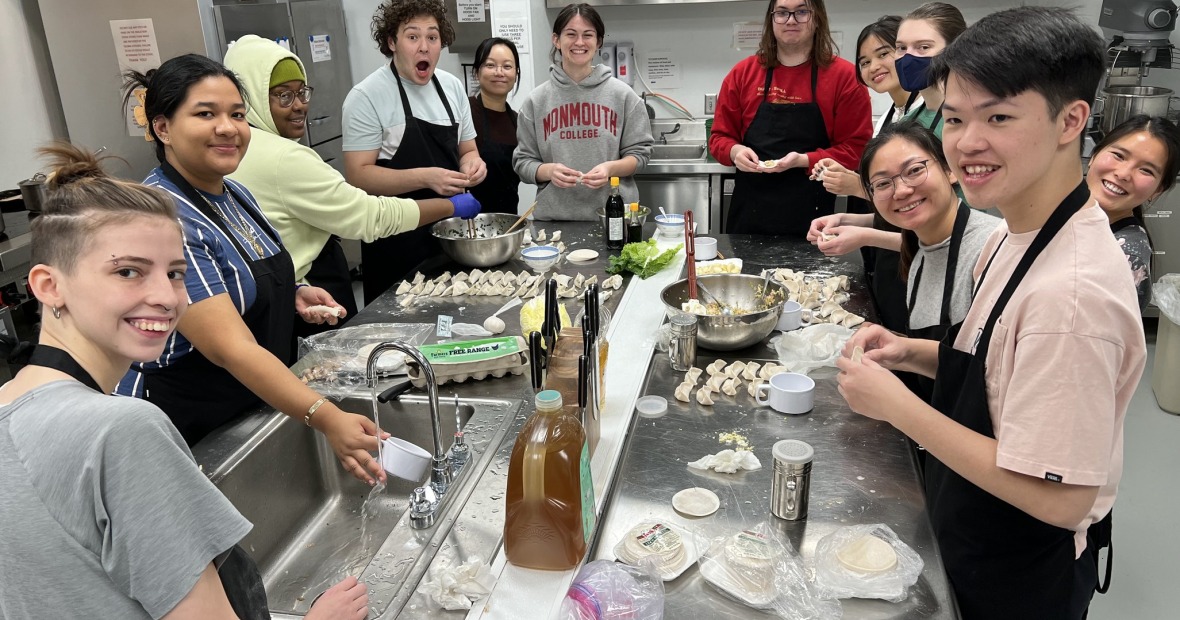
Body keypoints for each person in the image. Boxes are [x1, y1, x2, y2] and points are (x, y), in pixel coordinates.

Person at [837, 8, 1146, 618]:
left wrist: (896, 404)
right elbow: (1000, 366)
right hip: (973, 531)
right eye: (954, 119)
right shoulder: (1018, 232)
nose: (966, 143)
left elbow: (1057, 496)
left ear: (1071, 120)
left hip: (1020, 576)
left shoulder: (1073, 296)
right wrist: (911, 353)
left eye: (998, 117)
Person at [0, 143, 367, 619]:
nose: (165, 297)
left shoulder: (12, 405)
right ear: (49, 286)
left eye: (176, 273)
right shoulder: (122, 431)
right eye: (128, 271)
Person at [119, 54, 387, 487]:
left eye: (237, 114)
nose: (228, 128)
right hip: (192, 423)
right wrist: (325, 415)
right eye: (206, 114)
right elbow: (230, 348)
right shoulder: (163, 218)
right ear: (162, 127)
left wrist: (293, 293)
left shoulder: (234, 193)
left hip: (250, 401)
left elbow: (240, 273)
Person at [223, 35, 478, 332]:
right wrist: (449, 204)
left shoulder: (236, 148)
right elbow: (368, 214)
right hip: (319, 287)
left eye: (302, 93)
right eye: (283, 96)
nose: (299, 106)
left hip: (290, 290)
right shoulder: (287, 156)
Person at [342, 0, 488, 303]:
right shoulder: (367, 97)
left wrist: (473, 164)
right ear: (392, 42)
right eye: (413, 37)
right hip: (395, 244)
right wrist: (426, 178)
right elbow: (359, 175)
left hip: (450, 238)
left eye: (432, 37)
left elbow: (468, 149)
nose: (424, 47)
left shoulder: (451, 88)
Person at [859, 119, 998, 398]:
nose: (901, 191)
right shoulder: (920, 252)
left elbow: (992, 374)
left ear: (949, 170)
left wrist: (894, 404)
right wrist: (892, 344)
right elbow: (951, 361)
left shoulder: (991, 247)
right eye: (883, 183)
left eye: (914, 171)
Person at [708, 0, 871, 236]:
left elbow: (856, 150)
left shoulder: (844, 77)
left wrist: (804, 160)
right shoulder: (743, 74)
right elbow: (719, 138)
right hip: (749, 214)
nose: (791, 20)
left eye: (802, 12)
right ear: (771, 19)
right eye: (782, 12)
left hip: (813, 217)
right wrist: (734, 151)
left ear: (818, 19)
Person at [805, 15, 915, 331]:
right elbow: (897, 213)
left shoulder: (924, 120)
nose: (873, 66)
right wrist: (848, 220)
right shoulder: (891, 117)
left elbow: (926, 226)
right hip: (892, 264)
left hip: (916, 269)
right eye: (864, 61)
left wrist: (856, 188)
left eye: (884, 53)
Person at [512, 3, 653, 221]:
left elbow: (641, 156)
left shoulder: (624, 96)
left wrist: (610, 169)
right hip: (554, 220)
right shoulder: (535, 101)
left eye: (588, 35)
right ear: (556, 40)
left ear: (598, 42)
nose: (579, 42)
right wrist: (549, 171)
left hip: (613, 218)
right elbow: (523, 163)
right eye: (571, 34)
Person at [1086, 114, 1180, 311]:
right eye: (1119, 156)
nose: (1123, 174)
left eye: (1146, 170)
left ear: (1158, 190)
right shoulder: (1057, 213)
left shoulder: (1126, 256)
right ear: (1093, 155)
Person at [894, 2, 967, 138]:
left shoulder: (967, 120)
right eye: (901, 48)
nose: (908, 57)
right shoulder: (909, 121)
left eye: (923, 47)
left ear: (954, 49)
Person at [469, 37, 522, 214]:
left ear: (516, 74)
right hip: (468, 220)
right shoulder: (464, 112)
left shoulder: (518, 121)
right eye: (490, 65)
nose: (499, 72)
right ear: (476, 72)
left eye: (507, 66)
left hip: (508, 222)